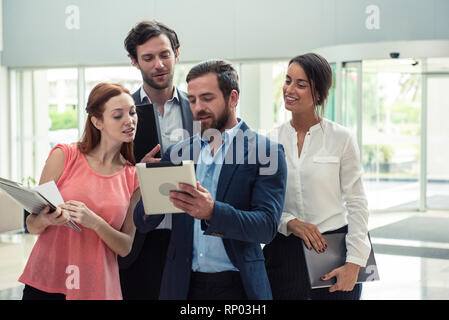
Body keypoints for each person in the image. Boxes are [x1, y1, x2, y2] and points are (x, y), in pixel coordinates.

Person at [133, 60, 287, 300]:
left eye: (207, 98)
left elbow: (266, 227)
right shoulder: (178, 152)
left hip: (238, 286)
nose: (198, 107)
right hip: (183, 285)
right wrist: (150, 187)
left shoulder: (266, 152)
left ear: (233, 98)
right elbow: (143, 222)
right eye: (193, 100)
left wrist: (213, 211)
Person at [263, 53, 371, 300]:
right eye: (288, 80)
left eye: (301, 84)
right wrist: (289, 222)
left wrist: (354, 263)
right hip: (283, 254)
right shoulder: (269, 140)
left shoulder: (341, 138)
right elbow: (262, 202)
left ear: (319, 93)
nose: (290, 89)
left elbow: (357, 203)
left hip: (333, 250)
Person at [19, 82, 141, 300]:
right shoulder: (64, 156)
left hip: (96, 287)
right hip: (46, 282)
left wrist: (95, 222)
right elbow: (32, 225)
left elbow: (125, 247)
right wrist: (47, 220)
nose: (129, 120)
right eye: (117, 115)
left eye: (132, 112)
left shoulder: (133, 177)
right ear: (97, 121)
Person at [118, 20, 194, 300]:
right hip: (139, 237)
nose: (159, 64)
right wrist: (134, 171)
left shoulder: (199, 109)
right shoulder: (119, 113)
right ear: (135, 62)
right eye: (148, 58)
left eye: (164, 55)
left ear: (177, 53)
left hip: (189, 237)